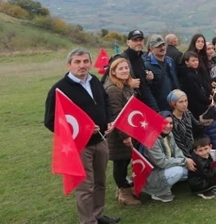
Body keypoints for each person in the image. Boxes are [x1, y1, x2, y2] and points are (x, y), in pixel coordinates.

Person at [44, 48, 120, 224]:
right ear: (69, 65)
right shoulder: (59, 90)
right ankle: (88, 221)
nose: (82, 65)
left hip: (101, 140)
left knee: (100, 181)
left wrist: (109, 119)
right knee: (86, 186)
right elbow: (50, 120)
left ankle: (98, 215)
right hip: (80, 146)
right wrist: (80, 132)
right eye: (77, 62)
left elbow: (105, 101)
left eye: (85, 61)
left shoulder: (94, 80)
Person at [103, 58, 141, 206]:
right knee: (120, 163)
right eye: (121, 69)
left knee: (124, 162)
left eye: (126, 68)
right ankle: (124, 193)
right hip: (119, 134)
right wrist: (125, 136)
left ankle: (121, 190)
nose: (125, 71)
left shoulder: (124, 85)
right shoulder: (113, 89)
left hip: (128, 130)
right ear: (113, 71)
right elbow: (117, 115)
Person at [142, 111, 195, 202]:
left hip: (166, 167)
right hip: (152, 174)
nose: (168, 126)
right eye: (164, 123)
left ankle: (170, 184)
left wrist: (186, 160)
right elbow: (161, 162)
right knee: (179, 171)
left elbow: (177, 151)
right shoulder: (151, 139)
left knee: (191, 169)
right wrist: (184, 161)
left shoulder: (169, 134)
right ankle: (158, 193)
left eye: (171, 123)